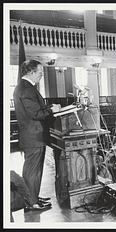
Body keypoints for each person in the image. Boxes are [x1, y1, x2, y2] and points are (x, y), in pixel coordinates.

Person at [13, 60, 60, 211]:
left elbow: (35, 109)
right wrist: (52, 110)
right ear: (31, 72)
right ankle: (32, 202)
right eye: (40, 72)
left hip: (33, 137)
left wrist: (49, 108)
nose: (41, 75)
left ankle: (33, 197)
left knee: (33, 171)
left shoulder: (25, 87)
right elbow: (36, 113)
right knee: (33, 171)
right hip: (33, 137)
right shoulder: (26, 89)